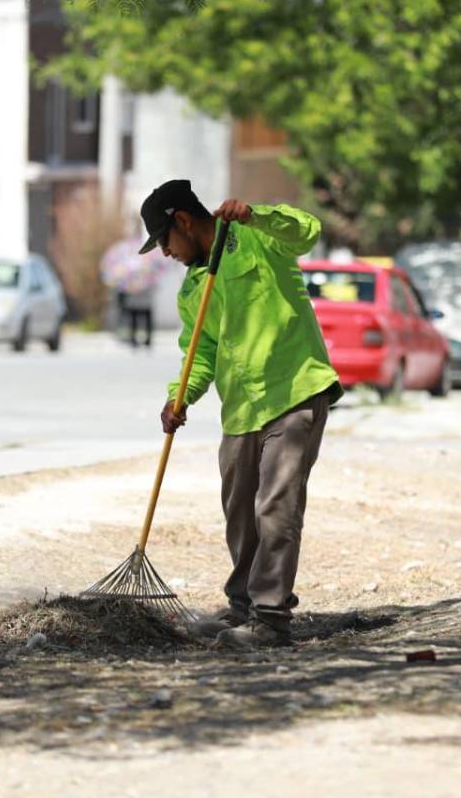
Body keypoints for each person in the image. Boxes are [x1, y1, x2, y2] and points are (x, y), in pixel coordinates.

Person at [139, 179, 343, 650]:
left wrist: (257, 214)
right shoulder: (194, 290)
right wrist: (180, 397)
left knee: (276, 507)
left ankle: (271, 620)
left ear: (183, 222)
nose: (164, 253)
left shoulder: (256, 237)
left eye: (164, 241)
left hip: (293, 390)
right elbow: (200, 353)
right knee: (240, 511)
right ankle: (243, 607)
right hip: (241, 409)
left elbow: (306, 231)